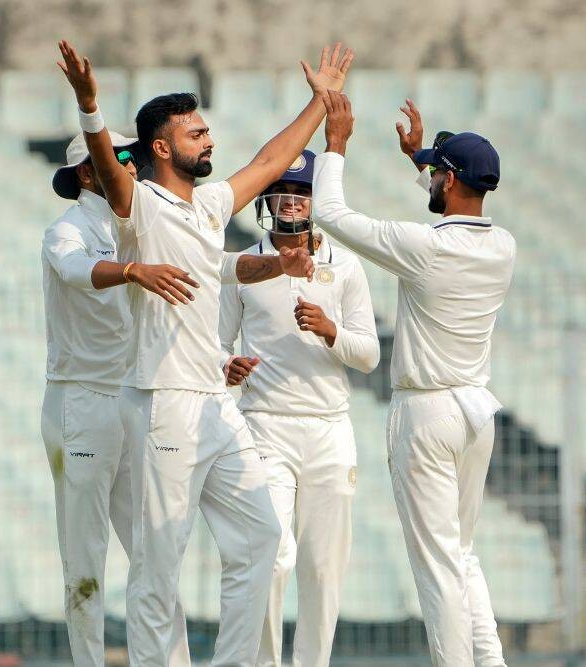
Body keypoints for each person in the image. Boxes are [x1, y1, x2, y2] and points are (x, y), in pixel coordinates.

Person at [56, 39, 352, 666]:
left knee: (262, 539)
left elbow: (271, 160)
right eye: (195, 133)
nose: (208, 140)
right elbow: (108, 165)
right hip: (163, 404)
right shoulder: (140, 205)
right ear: (162, 149)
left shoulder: (211, 205)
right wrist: (89, 106)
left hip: (215, 404)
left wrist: (320, 102)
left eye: (207, 130)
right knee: (158, 564)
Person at [312, 91, 514, 666]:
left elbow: (330, 214)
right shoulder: (503, 246)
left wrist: (336, 145)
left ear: (448, 180)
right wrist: (421, 160)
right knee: (461, 554)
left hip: (426, 415)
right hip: (476, 412)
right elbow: (451, 207)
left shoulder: (424, 247)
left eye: (437, 172)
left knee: (437, 565)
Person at [217, 152, 379, 666]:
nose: (290, 201)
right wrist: (227, 366)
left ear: (316, 199)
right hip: (265, 426)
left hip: (330, 428)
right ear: (267, 199)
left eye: (302, 192)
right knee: (270, 557)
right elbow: (216, 345)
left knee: (324, 569)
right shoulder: (245, 265)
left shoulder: (345, 265)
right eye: (282, 191)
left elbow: (369, 355)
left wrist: (331, 331)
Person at [42, 131, 199, 665]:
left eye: (132, 157)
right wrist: (131, 270)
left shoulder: (139, 225)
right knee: (84, 564)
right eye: (120, 157)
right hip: (80, 404)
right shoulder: (66, 229)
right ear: (88, 172)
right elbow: (74, 270)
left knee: (155, 555)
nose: (131, 166)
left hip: (132, 400)